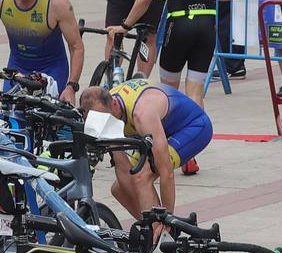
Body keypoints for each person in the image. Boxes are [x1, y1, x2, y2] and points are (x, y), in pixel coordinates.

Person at [107, 0, 236, 169]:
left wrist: (126, 25)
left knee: (167, 94)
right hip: (206, 25)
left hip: (179, 25)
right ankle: (190, 154)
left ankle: (170, 149)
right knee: (195, 93)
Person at [77, 81, 212, 224]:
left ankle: (163, 233)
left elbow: (167, 173)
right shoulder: (106, 113)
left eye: (107, 120)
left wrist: (167, 219)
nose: (105, 125)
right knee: (119, 189)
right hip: (160, 128)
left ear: (114, 104)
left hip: (193, 126)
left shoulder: (141, 114)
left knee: (143, 178)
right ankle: (152, 229)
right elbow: (123, 170)